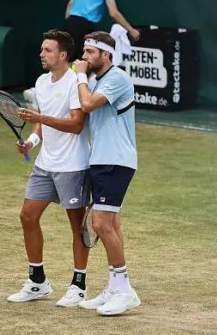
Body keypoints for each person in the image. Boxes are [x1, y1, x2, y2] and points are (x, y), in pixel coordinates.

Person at [6, 29, 91, 308]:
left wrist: (40, 116)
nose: (42, 54)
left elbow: (77, 125)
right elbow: (40, 124)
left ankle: (78, 286)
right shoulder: (41, 82)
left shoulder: (76, 83)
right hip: (45, 163)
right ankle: (38, 282)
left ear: (63, 54)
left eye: (48, 50)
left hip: (73, 165)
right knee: (28, 216)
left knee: (77, 226)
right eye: (42, 49)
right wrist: (31, 141)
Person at [72, 31, 140, 316]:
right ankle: (114, 286)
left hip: (116, 160)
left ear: (105, 54)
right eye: (84, 52)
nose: (85, 57)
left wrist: (79, 75)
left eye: (90, 52)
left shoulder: (117, 78)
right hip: (101, 160)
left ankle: (124, 290)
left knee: (101, 224)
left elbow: (87, 105)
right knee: (111, 224)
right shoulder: (98, 81)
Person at [23, 0, 141, 104]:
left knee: (67, 63)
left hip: (70, 22)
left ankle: (42, 94)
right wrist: (131, 30)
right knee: (79, 64)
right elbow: (113, 12)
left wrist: (70, 25)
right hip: (82, 25)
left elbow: (70, 4)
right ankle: (39, 94)